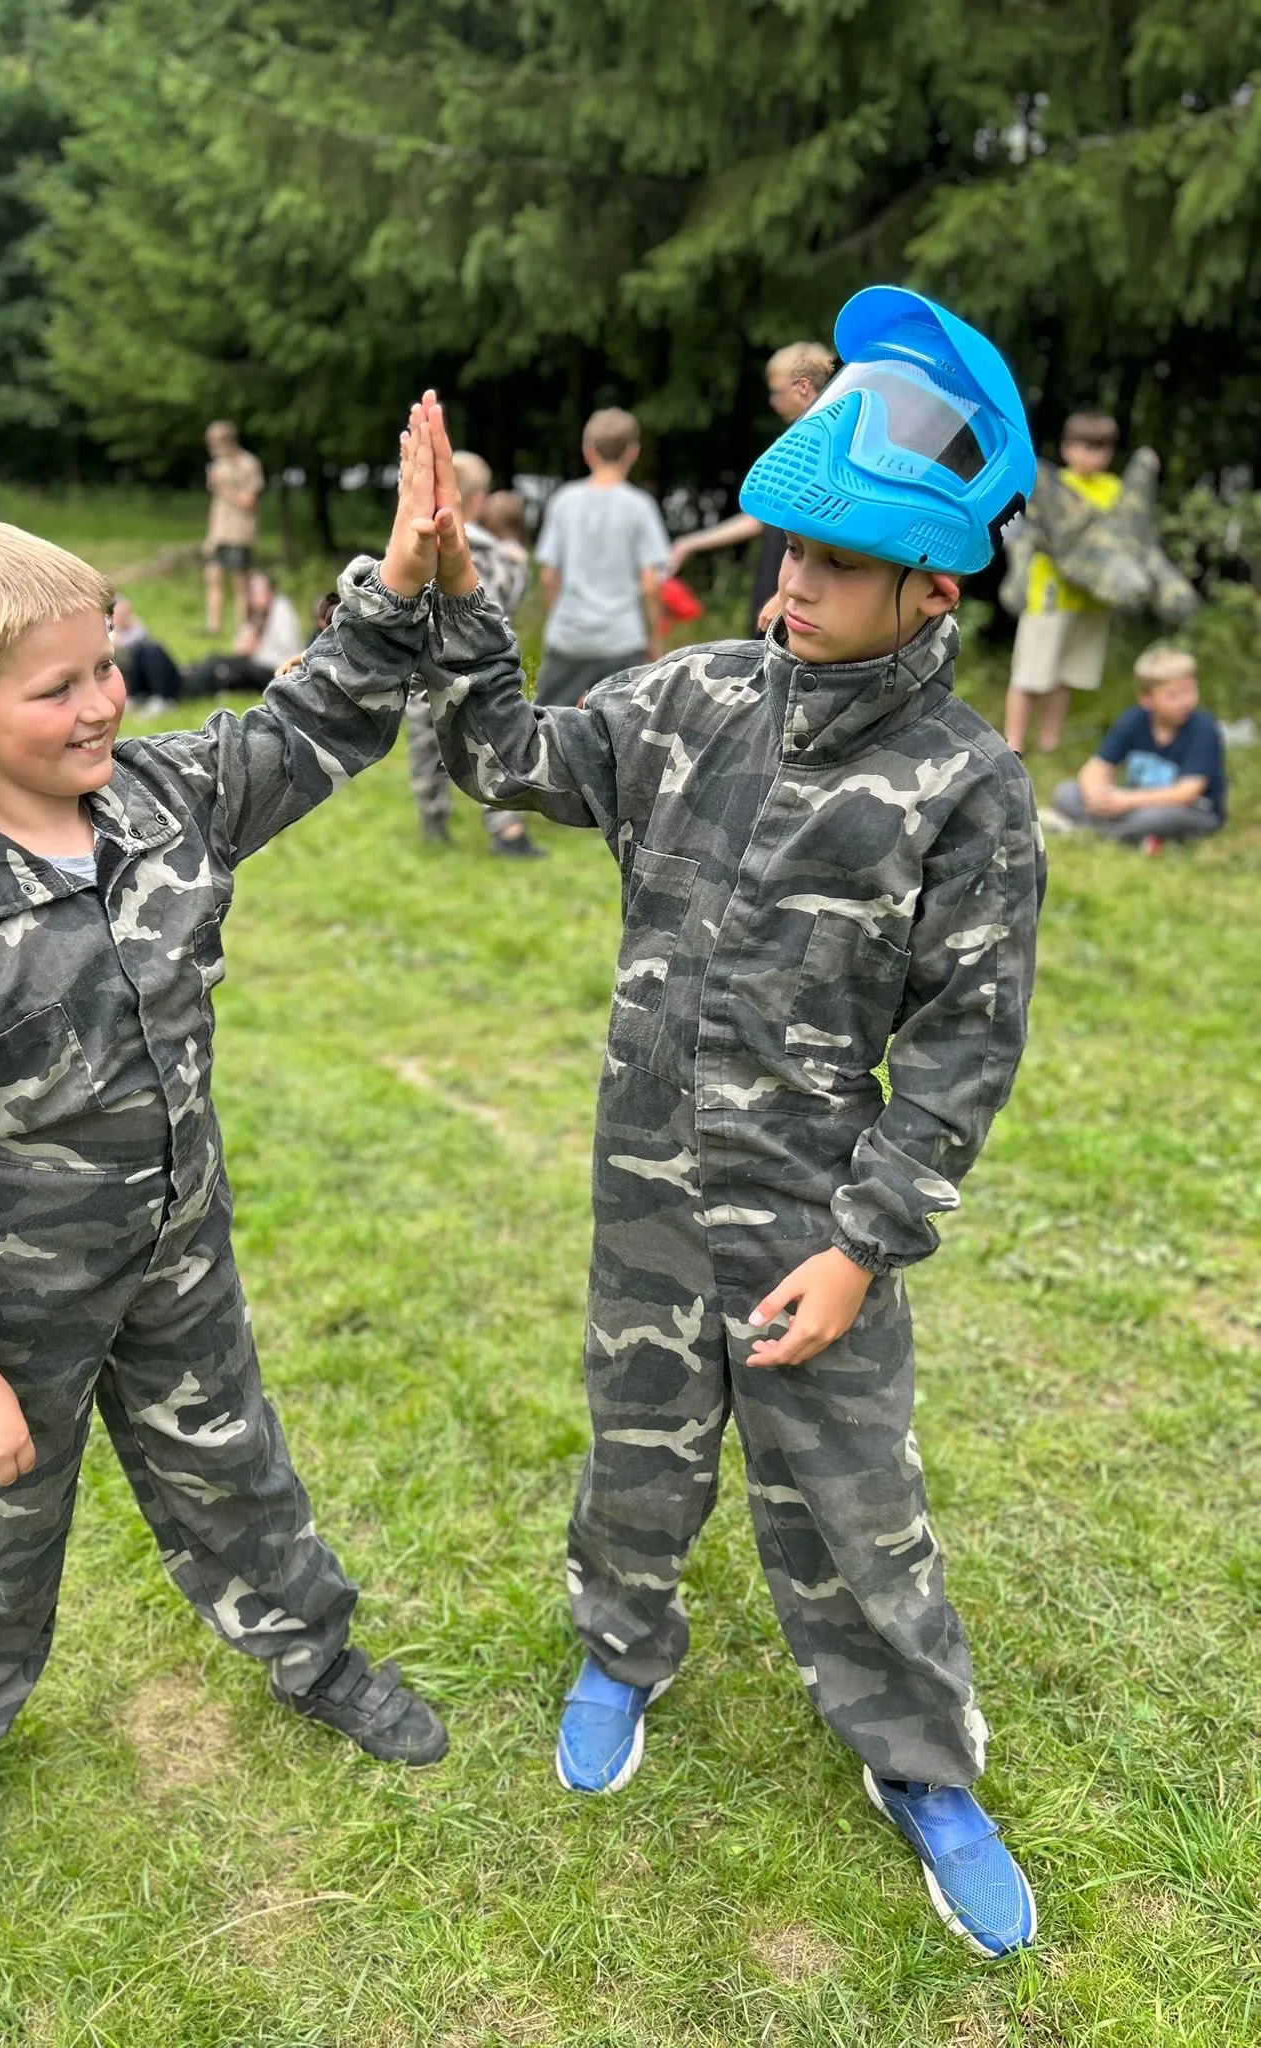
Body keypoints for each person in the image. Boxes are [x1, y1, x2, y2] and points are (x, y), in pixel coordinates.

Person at [415, 291, 1045, 1960]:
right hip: (643, 1187)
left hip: (809, 1221)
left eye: (830, 569)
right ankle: (623, 1641)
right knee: (636, 1441)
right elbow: (506, 753)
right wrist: (454, 592)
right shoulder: (694, 698)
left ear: (932, 581)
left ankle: (919, 1761)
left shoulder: (965, 789)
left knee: (850, 1496)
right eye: (784, 556)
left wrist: (862, 1246)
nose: (788, 593)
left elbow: (972, 1047)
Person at [0, 428, 451, 1914]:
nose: (104, 700)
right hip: (2, 1315)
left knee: (236, 1474)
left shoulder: (161, 805)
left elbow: (310, 726)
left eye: (108, 664)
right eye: (60, 688)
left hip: (177, 1258)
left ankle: (316, 1656)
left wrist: (398, 581)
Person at [406, 449, 543, 857]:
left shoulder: (414, 539)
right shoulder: (484, 550)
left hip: (421, 663)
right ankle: (506, 829)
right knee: (491, 744)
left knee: (425, 742)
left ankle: (433, 822)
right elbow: (501, 606)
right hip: (471, 667)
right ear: (478, 500)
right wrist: (518, 567)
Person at [667, 342, 837, 628]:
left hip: (798, 598)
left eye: (779, 391)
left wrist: (784, 598)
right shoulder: (797, 440)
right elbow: (759, 520)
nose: (773, 402)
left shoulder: (823, 444)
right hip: (777, 587)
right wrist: (689, 543)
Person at [534, 409, 672, 707]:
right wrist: (654, 641)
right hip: (621, 639)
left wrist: (558, 616)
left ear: (588, 451)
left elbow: (548, 575)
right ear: (633, 453)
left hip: (568, 636)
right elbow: (650, 584)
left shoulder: (564, 501)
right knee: (621, 729)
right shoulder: (640, 507)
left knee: (548, 723)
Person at [1002, 411, 1121, 755]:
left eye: (1101, 449)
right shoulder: (1048, 484)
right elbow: (1018, 532)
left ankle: (1050, 743)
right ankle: (1014, 744)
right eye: (1084, 447)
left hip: (1092, 602)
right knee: (1030, 674)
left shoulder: (1114, 491)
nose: (1092, 456)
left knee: (1067, 675)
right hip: (1049, 597)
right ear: (1067, 448)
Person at [1045, 645, 1225, 851]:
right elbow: (1096, 767)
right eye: (1173, 696)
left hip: (1191, 810)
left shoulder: (1202, 727)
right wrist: (1097, 796)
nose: (1185, 702)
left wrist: (1125, 801)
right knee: (1066, 792)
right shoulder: (1134, 719)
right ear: (1147, 699)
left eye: (1190, 691)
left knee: (1155, 818)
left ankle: (1087, 831)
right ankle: (1133, 838)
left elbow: (1187, 792)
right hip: (1134, 802)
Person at [180, 573, 307, 698]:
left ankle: (189, 687)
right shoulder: (256, 614)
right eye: (253, 592)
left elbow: (287, 648)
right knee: (216, 659)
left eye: (260, 590)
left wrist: (257, 647)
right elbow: (240, 648)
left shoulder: (280, 610)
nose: (256, 596)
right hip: (256, 664)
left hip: (276, 670)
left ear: (270, 590)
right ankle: (189, 674)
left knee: (224, 669)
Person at [202, 420, 265, 637]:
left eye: (215, 443)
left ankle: (242, 629)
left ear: (227, 442)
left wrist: (225, 488)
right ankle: (213, 627)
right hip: (220, 532)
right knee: (213, 576)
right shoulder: (218, 466)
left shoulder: (249, 464)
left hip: (240, 533)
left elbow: (249, 502)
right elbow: (216, 504)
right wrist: (210, 536)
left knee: (240, 584)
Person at [111, 594, 184, 714]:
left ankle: (160, 698)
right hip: (125, 679)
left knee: (151, 649)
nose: (125, 618)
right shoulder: (109, 635)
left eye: (127, 614)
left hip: (139, 676)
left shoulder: (136, 630)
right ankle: (138, 697)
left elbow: (143, 644)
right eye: (120, 614)